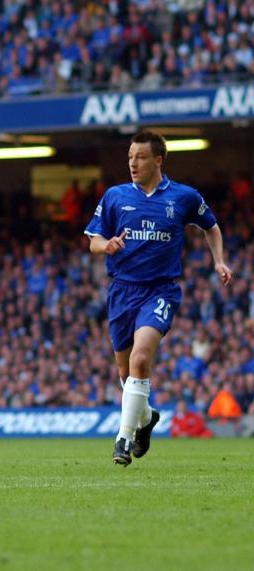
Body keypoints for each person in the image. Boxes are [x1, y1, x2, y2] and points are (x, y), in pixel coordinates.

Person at [85, 129, 232, 466]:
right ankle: (147, 418)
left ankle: (122, 440)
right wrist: (105, 245)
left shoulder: (182, 197)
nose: (133, 163)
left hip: (160, 290)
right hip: (122, 291)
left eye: (139, 157)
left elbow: (211, 226)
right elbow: (93, 239)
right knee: (125, 374)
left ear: (158, 160)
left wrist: (219, 260)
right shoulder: (114, 196)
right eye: (129, 158)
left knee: (139, 361)